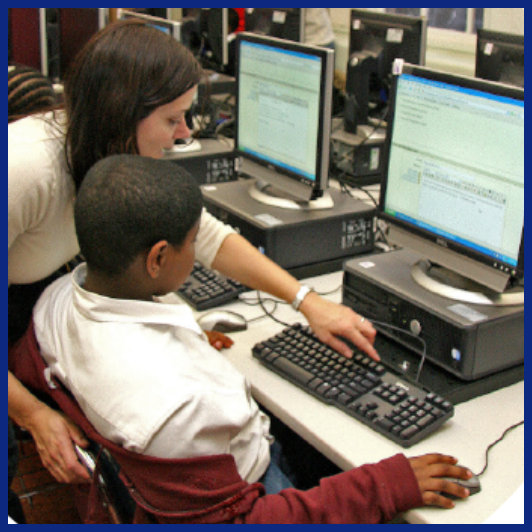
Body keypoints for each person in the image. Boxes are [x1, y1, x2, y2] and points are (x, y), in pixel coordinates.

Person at [8, 18, 380, 487]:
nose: (185, 133)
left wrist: (307, 301)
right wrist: (33, 416)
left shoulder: (109, 151)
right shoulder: (26, 172)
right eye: (172, 119)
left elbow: (204, 234)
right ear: (123, 112)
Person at [17, 154, 473, 523]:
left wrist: (184, 345)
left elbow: (45, 364)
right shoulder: (180, 408)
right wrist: (385, 486)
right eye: (193, 241)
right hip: (254, 490)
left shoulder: (54, 304)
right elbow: (252, 520)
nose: (199, 254)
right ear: (157, 259)